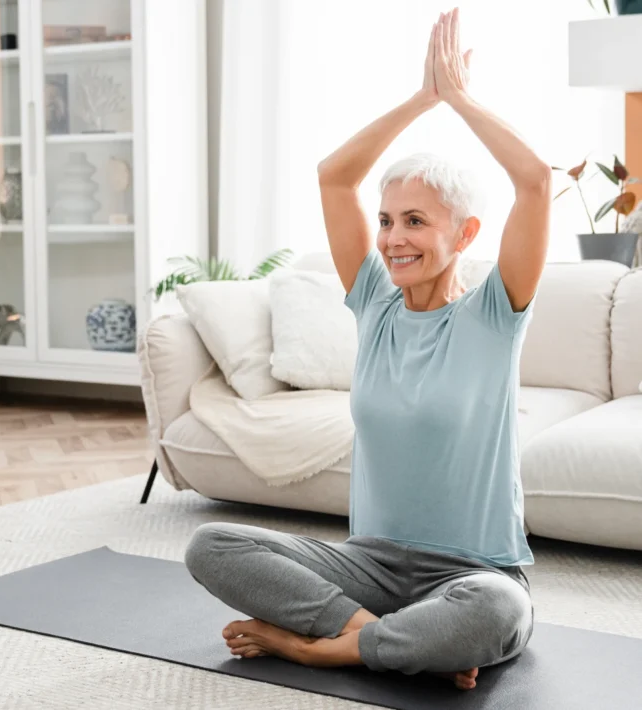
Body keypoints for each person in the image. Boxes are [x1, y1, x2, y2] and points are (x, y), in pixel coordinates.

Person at [184, 7, 551, 692]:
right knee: (212, 545)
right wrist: (423, 98)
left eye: (415, 221)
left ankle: (316, 648)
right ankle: (380, 638)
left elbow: (534, 180)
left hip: (473, 574)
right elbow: (334, 177)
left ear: (465, 234)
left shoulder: (496, 315)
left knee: (500, 610)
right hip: (370, 570)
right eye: (386, 221)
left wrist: (461, 101)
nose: (392, 239)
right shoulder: (376, 306)